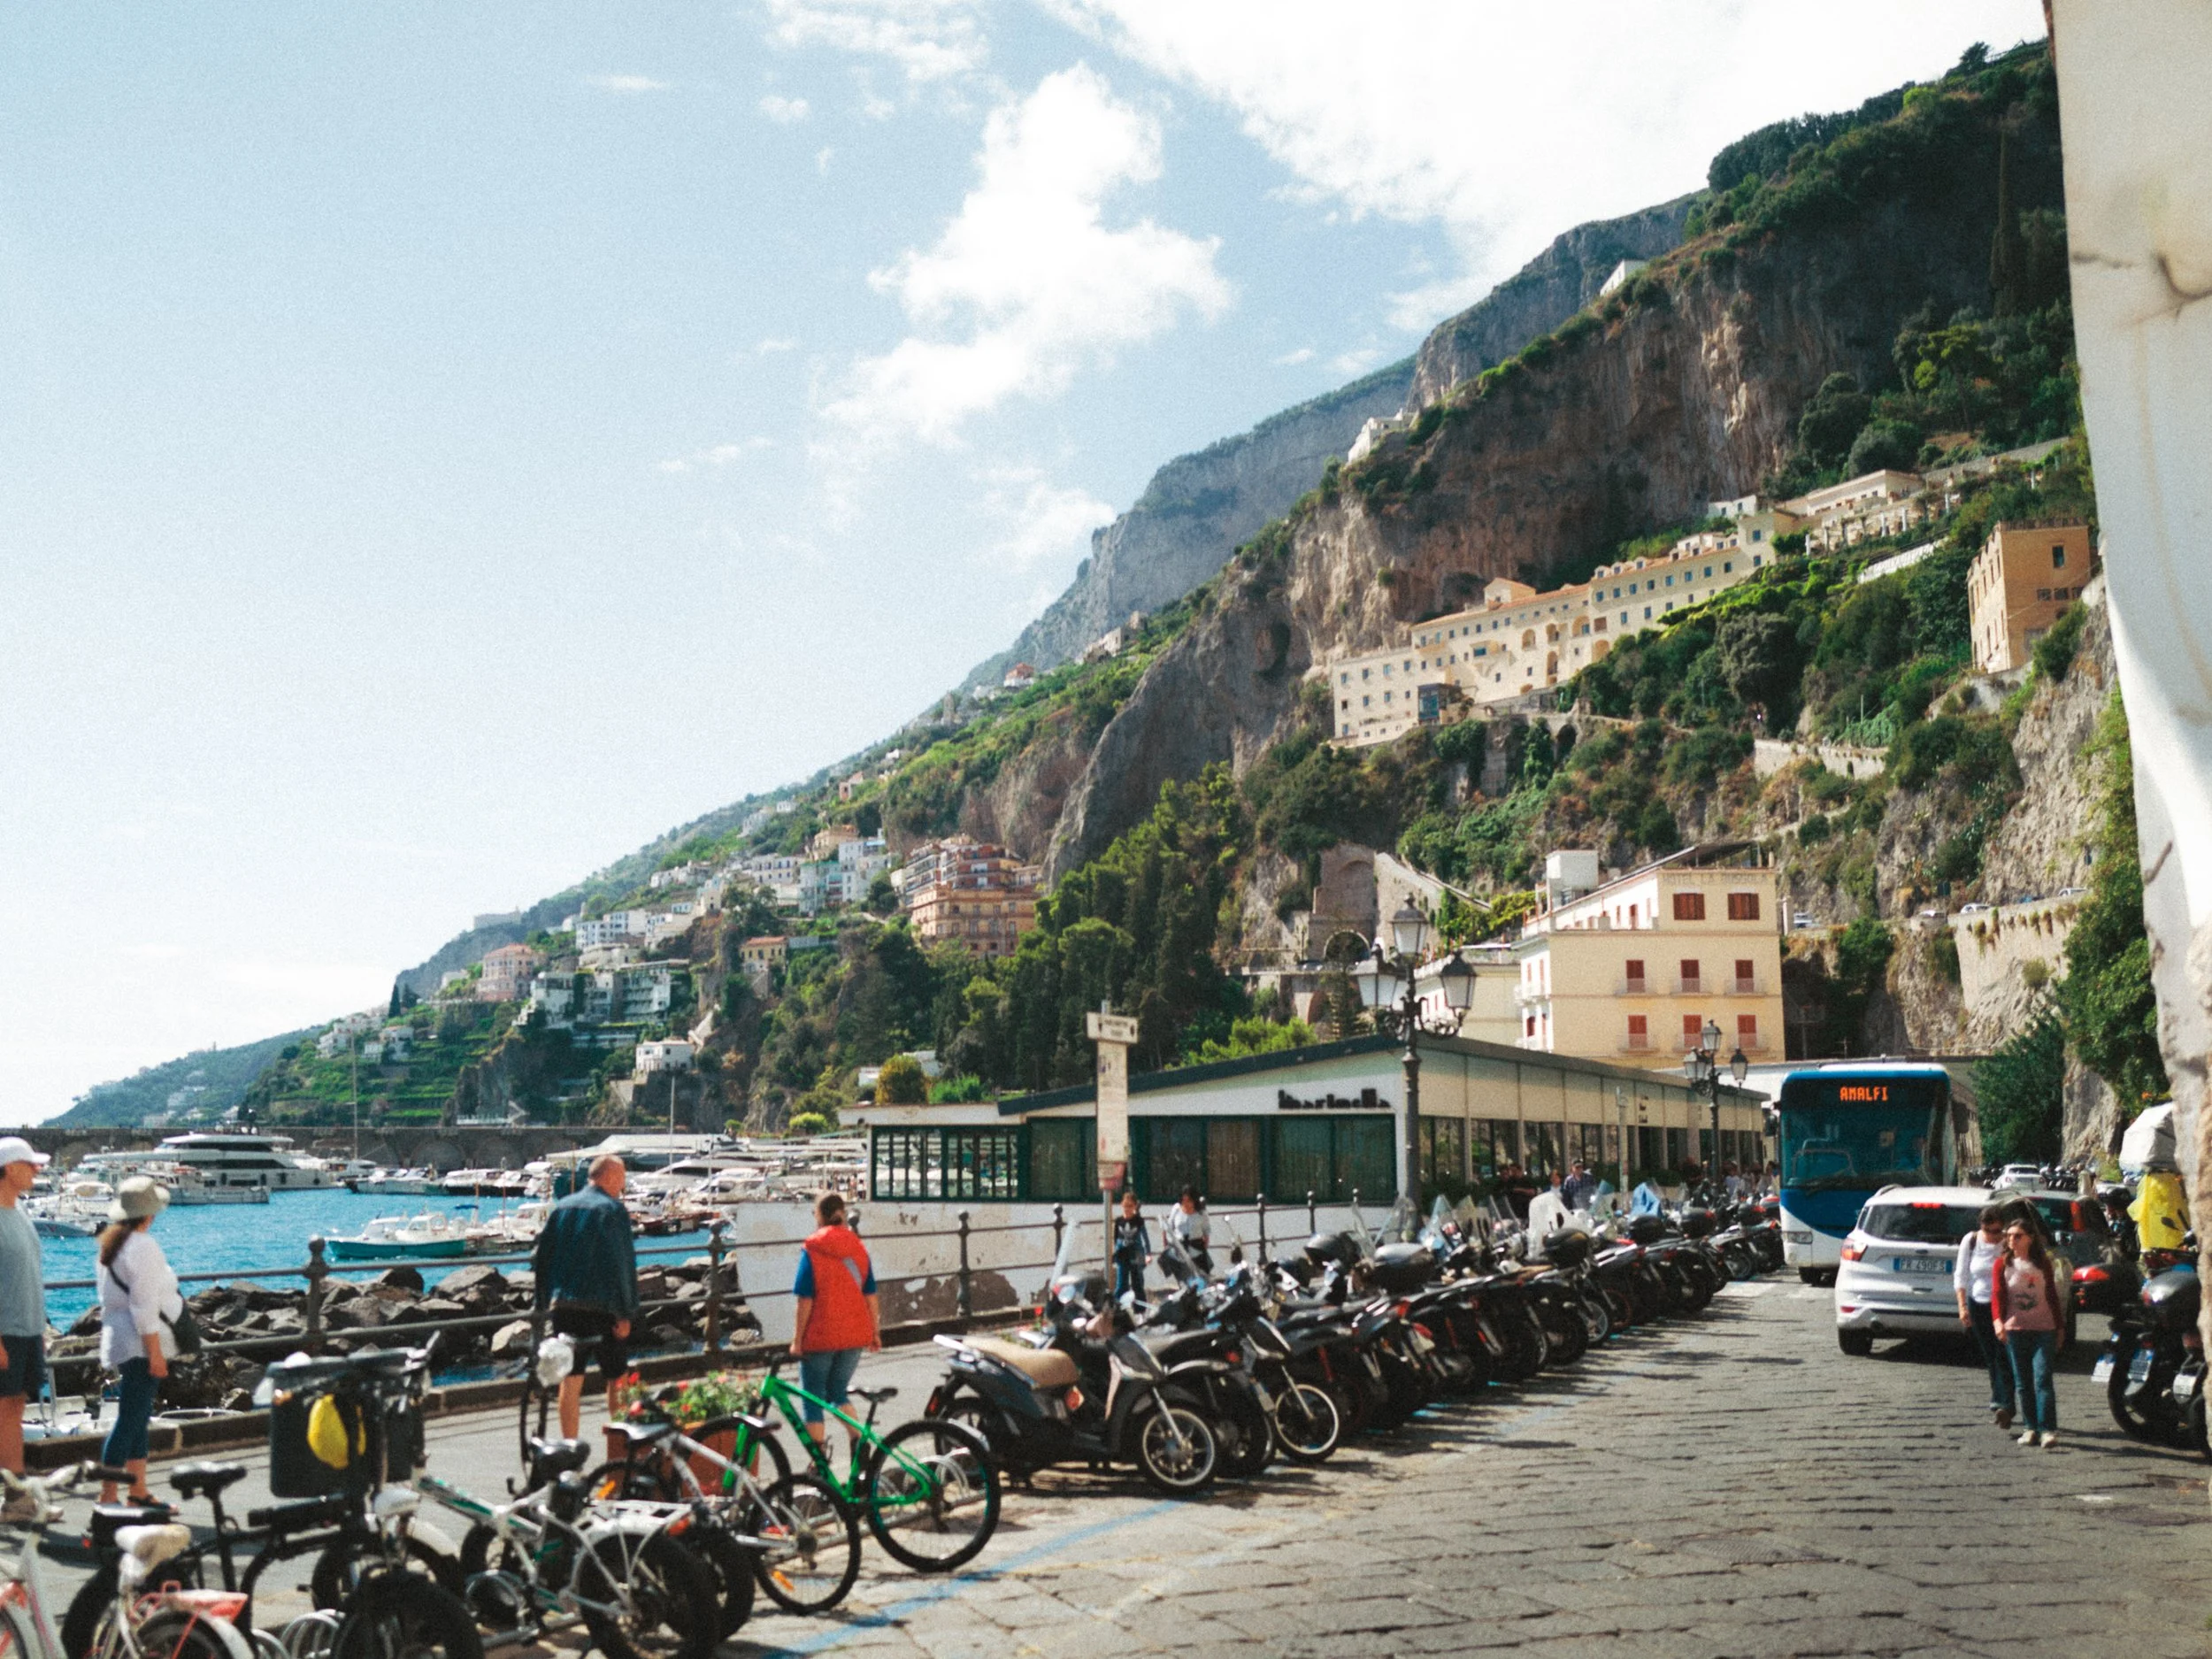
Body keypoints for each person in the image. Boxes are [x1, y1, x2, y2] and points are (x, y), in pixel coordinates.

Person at [532, 1154, 637, 1439]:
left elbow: (543, 1260)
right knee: (617, 1378)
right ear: (611, 1176)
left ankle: (569, 1446)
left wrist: (542, 1305)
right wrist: (626, 1313)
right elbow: (621, 1263)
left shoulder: (562, 1208)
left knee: (571, 1377)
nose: (624, 1183)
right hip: (603, 1307)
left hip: (565, 1305)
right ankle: (621, 1445)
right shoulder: (612, 1210)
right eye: (622, 1177)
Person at [96, 1177, 182, 1503]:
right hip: (140, 1343)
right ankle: (108, 1495)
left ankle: (138, 1490)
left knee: (136, 1416)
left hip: (120, 1340)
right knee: (131, 1420)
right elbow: (144, 1306)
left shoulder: (112, 1244)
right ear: (150, 1214)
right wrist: (156, 1353)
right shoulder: (143, 1246)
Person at [789, 1191, 880, 1459]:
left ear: (820, 1215)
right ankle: (858, 1439)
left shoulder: (813, 1248)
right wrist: (875, 1332)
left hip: (821, 1334)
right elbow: (871, 1295)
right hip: (855, 1334)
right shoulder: (858, 1248)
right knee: (837, 1392)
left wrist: (797, 1340)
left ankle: (818, 1464)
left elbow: (805, 1299)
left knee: (813, 1399)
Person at [0, 1137, 50, 1499]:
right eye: (30, 1164)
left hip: (28, 1329)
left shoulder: (20, 1216)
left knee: (15, 1409)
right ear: (9, 1169)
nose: (37, 1170)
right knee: (5, 1413)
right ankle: (14, 1498)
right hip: (6, 1333)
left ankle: (17, 1493)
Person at [1992, 1215, 2064, 1448]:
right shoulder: (2002, 1264)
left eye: (2017, 1236)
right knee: (2023, 1383)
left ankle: (2048, 1430)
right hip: (2015, 1328)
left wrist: (2060, 1327)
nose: (2012, 1240)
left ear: (2030, 1239)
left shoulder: (2042, 1263)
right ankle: (2030, 1427)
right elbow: (1997, 1295)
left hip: (2044, 1328)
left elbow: (2052, 1295)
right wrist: (1997, 1322)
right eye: (2009, 1236)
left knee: (2043, 1379)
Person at [1954, 1205, 2014, 1430]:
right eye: (1990, 1231)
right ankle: (2002, 1404)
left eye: (1998, 1230)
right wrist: (1962, 1307)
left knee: (2003, 1354)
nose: (1994, 1236)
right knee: (1990, 1355)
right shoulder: (1970, 1241)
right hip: (1977, 1304)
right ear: (1982, 1227)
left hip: (2005, 1306)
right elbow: (1961, 1275)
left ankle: (2003, 1404)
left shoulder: (2008, 1242)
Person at [1111, 1191, 1150, 1301]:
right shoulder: (1119, 1221)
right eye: (1125, 1206)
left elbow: (1145, 1238)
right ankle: (1116, 1307)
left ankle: (1140, 1309)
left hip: (1136, 1253)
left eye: (1130, 1206)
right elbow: (1116, 1238)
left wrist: (1148, 1254)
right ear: (1121, 1205)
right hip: (1123, 1253)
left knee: (1138, 1284)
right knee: (1121, 1284)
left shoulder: (1139, 1220)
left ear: (1135, 1206)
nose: (1127, 1209)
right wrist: (1116, 1253)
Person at [1168, 1188, 1212, 1276]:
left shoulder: (1201, 1213)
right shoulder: (1176, 1209)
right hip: (1180, 1250)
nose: (1186, 1203)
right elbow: (1169, 1227)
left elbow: (1206, 1232)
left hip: (1197, 1250)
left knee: (1200, 1278)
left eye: (1188, 1201)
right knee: (1184, 1279)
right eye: (1183, 1200)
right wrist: (1168, 1245)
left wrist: (1204, 1247)